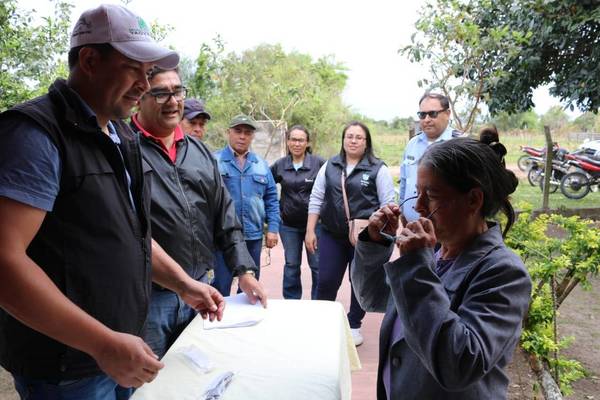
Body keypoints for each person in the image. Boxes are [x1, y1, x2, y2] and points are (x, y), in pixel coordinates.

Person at [0, 5, 224, 399]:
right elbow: (4, 260)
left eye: (148, 71)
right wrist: (101, 342)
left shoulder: (120, 136)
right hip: (69, 368)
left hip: (122, 351)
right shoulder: (35, 134)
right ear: (89, 60)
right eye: (132, 68)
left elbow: (130, 236)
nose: (144, 83)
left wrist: (184, 285)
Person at [352, 137, 532, 399]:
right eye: (417, 192)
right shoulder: (434, 253)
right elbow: (372, 298)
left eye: (432, 196)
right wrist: (375, 244)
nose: (418, 206)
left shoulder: (503, 273)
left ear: (473, 200)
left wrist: (415, 266)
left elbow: (459, 364)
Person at [131, 67, 267, 359]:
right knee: (149, 385)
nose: (172, 101)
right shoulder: (124, 149)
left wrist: (244, 270)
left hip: (199, 289)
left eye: (177, 91)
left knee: (192, 374)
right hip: (148, 298)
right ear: (139, 96)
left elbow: (224, 214)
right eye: (160, 92)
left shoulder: (198, 151)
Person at [306, 121, 395, 346]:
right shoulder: (330, 166)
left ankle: (354, 324)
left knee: (360, 283)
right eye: (349, 136)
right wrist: (310, 231)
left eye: (358, 137)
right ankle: (320, 321)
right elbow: (316, 198)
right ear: (343, 140)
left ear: (367, 143)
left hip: (365, 239)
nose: (353, 140)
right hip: (332, 234)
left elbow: (388, 204)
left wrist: (383, 239)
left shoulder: (378, 169)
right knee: (326, 280)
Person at [213, 115, 280, 295]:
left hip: (253, 236)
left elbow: (272, 198)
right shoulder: (214, 161)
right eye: (238, 131)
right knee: (221, 283)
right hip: (223, 236)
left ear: (252, 137)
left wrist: (272, 228)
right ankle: (219, 321)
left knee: (250, 285)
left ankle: (245, 320)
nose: (242, 136)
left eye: (247, 133)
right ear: (228, 133)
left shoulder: (261, 165)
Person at [271, 125, 324, 299]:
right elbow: (267, 187)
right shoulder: (280, 165)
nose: (297, 143)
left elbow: (332, 189)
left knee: (317, 265)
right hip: (288, 226)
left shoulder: (319, 164)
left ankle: (319, 301)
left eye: (301, 140)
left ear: (307, 142)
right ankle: (291, 302)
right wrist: (275, 212)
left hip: (315, 226)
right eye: (293, 139)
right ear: (287, 142)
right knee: (292, 265)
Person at [399, 93, 462, 222]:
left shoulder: (460, 144)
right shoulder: (412, 144)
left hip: (446, 230)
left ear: (447, 113)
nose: (426, 119)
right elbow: (405, 181)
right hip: (412, 225)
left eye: (432, 114)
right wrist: (402, 212)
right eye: (422, 115)